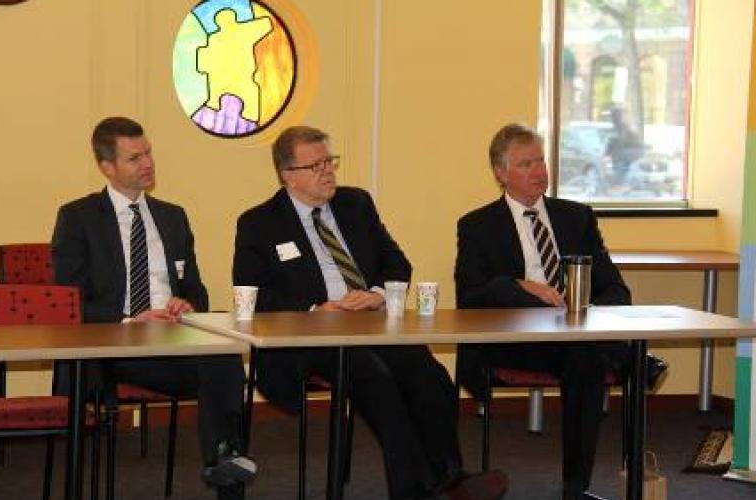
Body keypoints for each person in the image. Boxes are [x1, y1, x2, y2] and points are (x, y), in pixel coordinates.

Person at [232, 125, 507, 500]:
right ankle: (414, 490)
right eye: (315, 166)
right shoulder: (259, 223)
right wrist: (315, 309)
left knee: (429, 374)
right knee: (374, 378)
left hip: (369, 324)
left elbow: (397, 262)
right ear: (287, 175)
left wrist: (376, 295)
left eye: (330, 161)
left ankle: (450, 475)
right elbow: (253, 292)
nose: (327, 172)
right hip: (309, 335)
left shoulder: (355, 204)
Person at [51, 116, 254, 500]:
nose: (147, 163)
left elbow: (196, 290)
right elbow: (68, 301)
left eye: (148, 153)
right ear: (107, 167)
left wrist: (186, 303)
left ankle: (224, 461)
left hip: (172, 339)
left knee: (223, 355)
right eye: (134, 158)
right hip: (115, 345)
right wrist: (131, 318)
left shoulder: (172, 216)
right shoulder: (78, 218)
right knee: (218, 363)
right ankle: (226, 463)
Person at [454, 123, 632, 500]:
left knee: (585, 356)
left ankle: (575, 487)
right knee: (594, 356)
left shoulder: (576, 217)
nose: (539, 171)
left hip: (576, 335)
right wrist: (520, 286)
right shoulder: (477, 226)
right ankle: (629, 358)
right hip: (516, 340)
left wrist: (588, 313)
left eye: (541, 161)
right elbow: (469, 297)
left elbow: (616, 288)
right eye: (526, 164)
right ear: (501, 173)